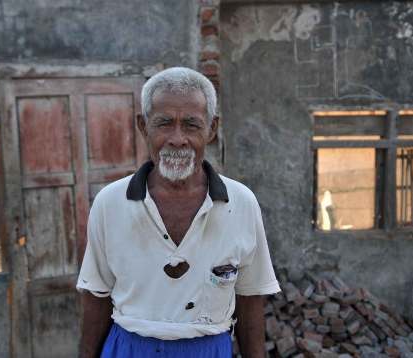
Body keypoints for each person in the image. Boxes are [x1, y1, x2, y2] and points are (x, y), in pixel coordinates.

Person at [77, 67, 281, 358]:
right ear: (143, 126)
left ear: (211, 129)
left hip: (208, 349)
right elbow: (96, 295)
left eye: (191, 125)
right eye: (164, 123)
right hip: (130, 349)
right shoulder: (111, 202)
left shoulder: (242, 203)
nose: (177, 139)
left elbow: (250, 298)